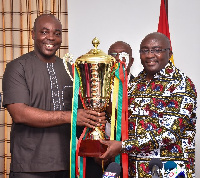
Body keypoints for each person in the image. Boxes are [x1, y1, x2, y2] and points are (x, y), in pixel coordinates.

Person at [2, 14, 106, 178]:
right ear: (33, 34)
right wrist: (71, 117)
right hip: (30, 165)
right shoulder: (17, 67)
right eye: (44, 32)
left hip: (69, 163)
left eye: (57, 33)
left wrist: (95, 118)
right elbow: (19, 113)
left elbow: (82, 112)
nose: (51, 38)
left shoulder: (71, 69)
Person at [100, 32, 197, 178]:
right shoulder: (134, 84)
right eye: (145, 50)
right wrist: (103, 116)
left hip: (170, 171)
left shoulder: (181, 84)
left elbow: (169, 134)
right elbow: (124, 123)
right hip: (135, 171)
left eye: (157, 50)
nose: (150, 55)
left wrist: (123, 146)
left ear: (169, 53)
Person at [85, 41, 134, 178]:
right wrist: (96, 150)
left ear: (132, 60)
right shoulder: (93, 88)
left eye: (123, 55)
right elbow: (83, 122)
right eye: (113, 55)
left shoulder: (141, 87)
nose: (118, 58)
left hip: (130, 159)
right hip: (98, 161)